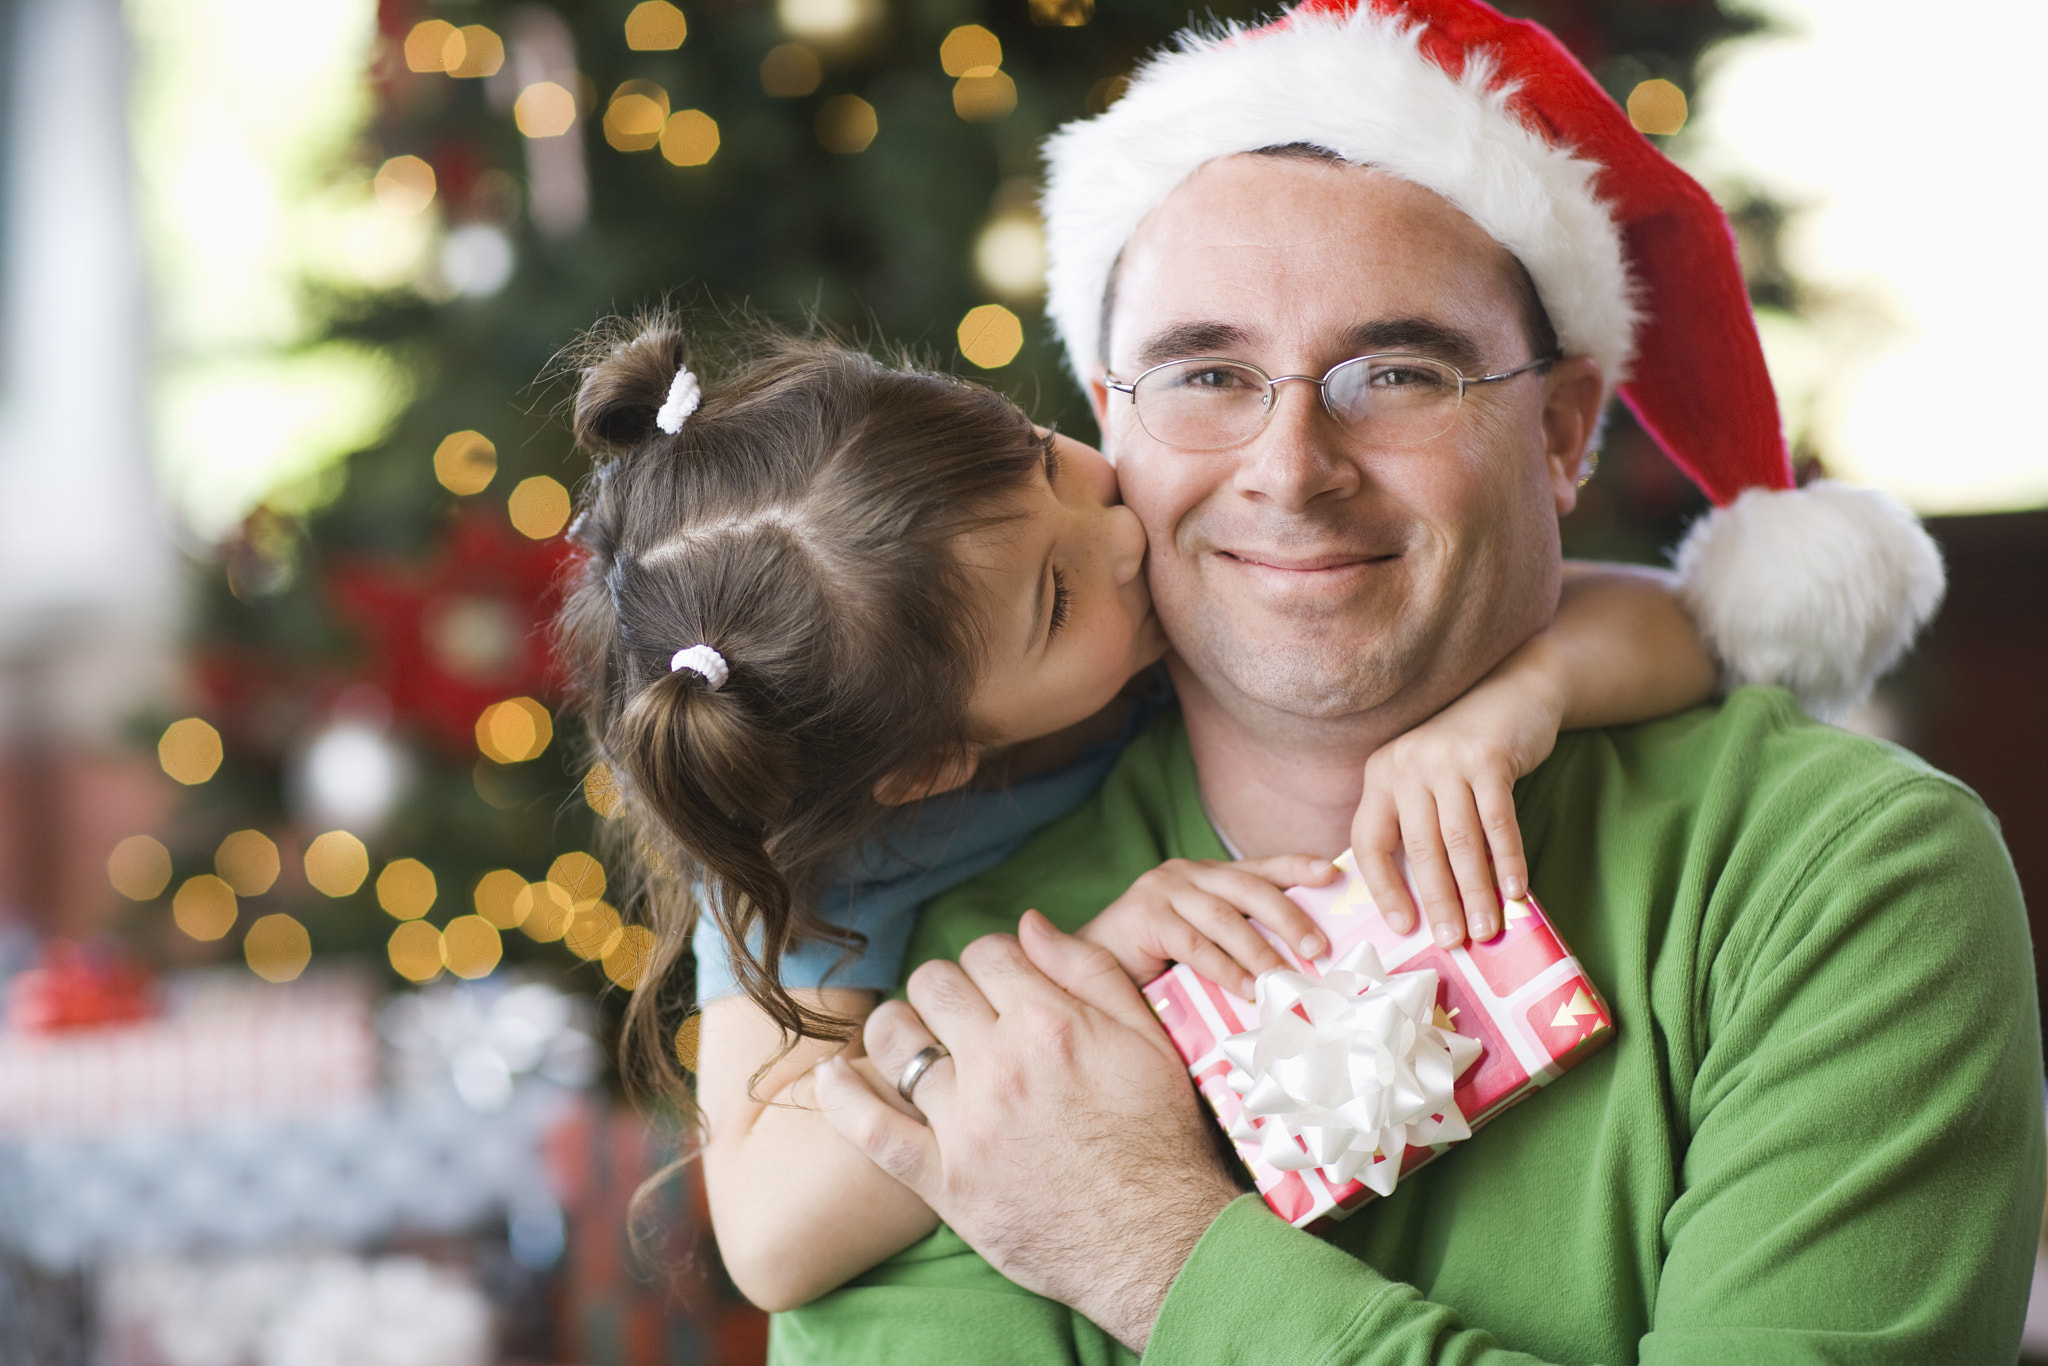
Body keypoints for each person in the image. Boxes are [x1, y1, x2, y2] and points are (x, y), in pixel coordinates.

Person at [804, 1, 2043, 1362]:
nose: (1289, 468)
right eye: (1207, 373)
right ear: (1111, 426)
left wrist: (1149, 1247)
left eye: (1394, 371)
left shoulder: (1845, 874)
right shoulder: (971, 948)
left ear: (1563, 430)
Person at [554, 320, 1719, 1313]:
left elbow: (1675, 623)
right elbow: (768, 1236)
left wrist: (1511, 705)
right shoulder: (833, 858)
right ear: (928, 763)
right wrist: (1090, 967)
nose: (1118, 531)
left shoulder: (1198, 590)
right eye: (1057, 599)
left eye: (1039, 458)